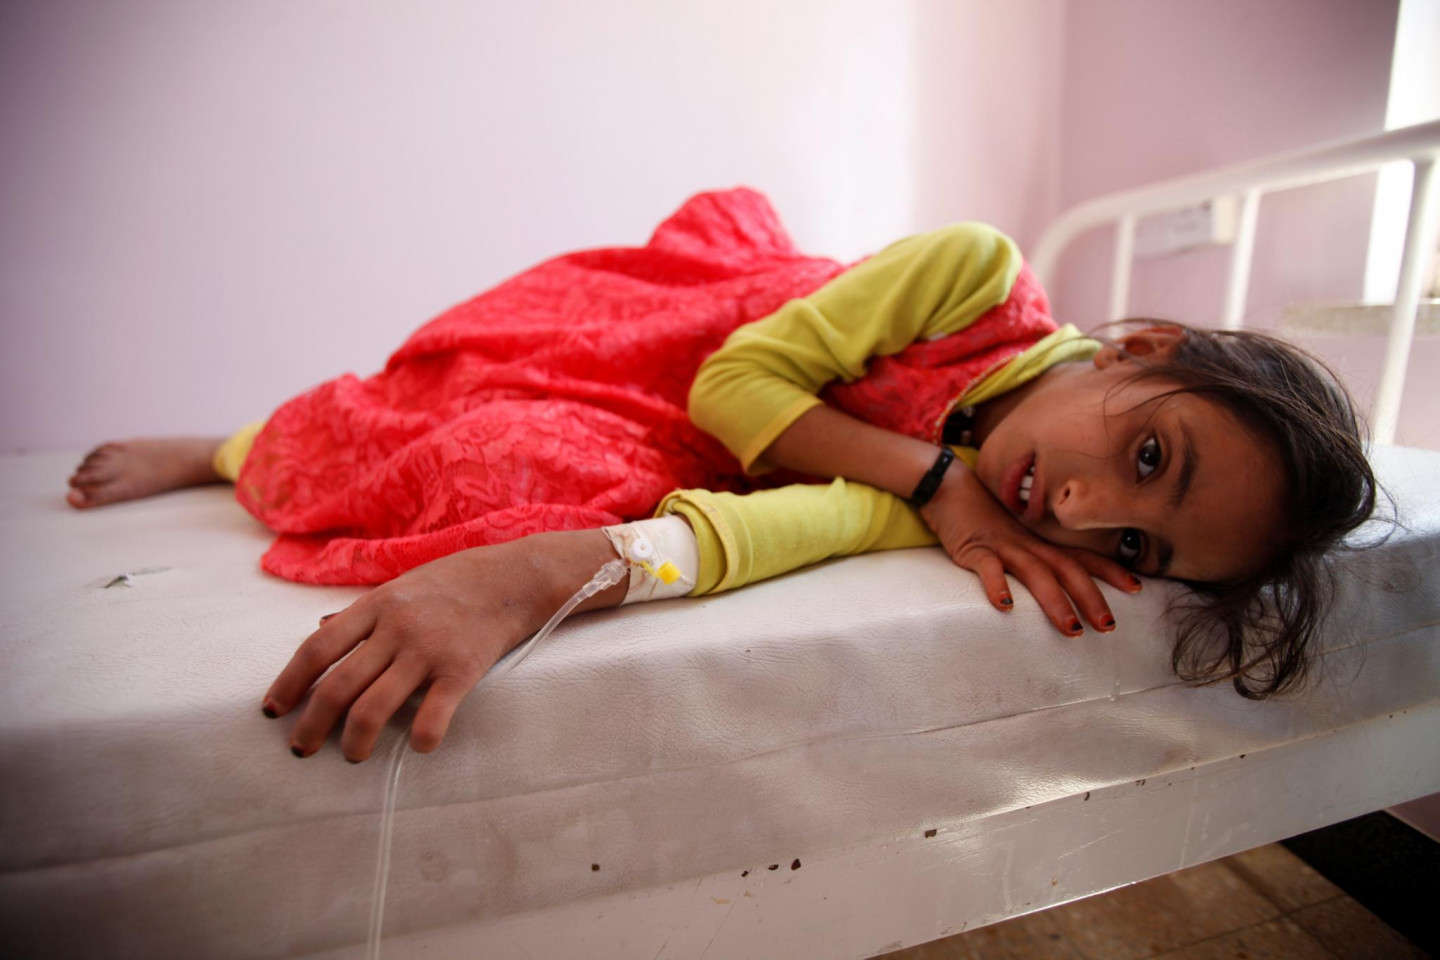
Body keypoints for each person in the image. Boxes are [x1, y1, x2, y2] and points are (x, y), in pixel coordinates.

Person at [65, 189, 1377, 763]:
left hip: (744, 446)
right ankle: (222, 447)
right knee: (445, 392)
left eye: (1139, 547)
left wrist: (543, 574)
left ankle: (241, 450)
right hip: (693, 345)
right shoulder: (974, 276)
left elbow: (791, 525)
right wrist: (937, 480)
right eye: (1148, 458)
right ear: (1141, 348)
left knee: (496, 466)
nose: (1087, 512)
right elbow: (733, 388)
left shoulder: (980, 514)